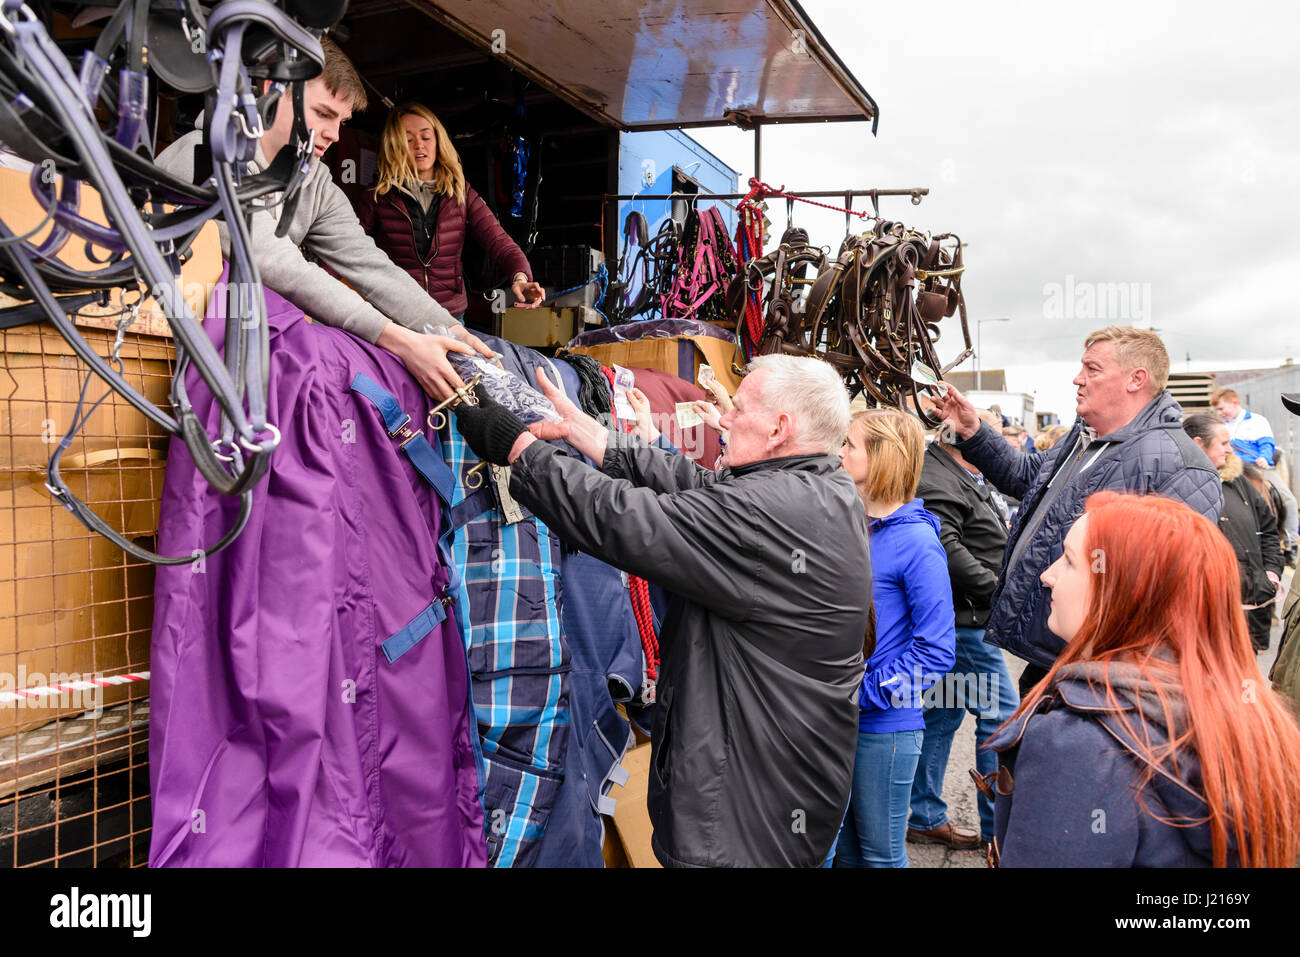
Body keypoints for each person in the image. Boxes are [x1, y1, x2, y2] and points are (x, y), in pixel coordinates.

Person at [451, 354, 871, 867]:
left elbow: (625, 519)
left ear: (780, 428)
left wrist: (519, 449)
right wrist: (593, 436)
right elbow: (696, 487)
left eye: (738, 409)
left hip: (740, 826)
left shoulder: (773, 512)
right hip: (776, 801)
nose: (727, 417)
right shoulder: (818, 490)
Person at [156, 38, 492, 400]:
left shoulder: (312, 181)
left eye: (342, 121)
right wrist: (400, 340)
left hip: (233, 373)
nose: (334, 134)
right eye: (323, 113)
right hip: (155, 361)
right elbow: (279, 264)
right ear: (273, 92)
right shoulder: (203, 160)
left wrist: (453, 333)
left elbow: (370, 265)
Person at [984, 492, 1300, 867]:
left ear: (1125, 590)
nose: (1047, 575)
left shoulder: (1078, 744)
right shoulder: (1251, 712)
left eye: (1069, 561)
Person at [933, 326, 1223, 697]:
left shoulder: (1180, 465)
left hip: (1105, 673)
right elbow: (1027, 479)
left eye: (1092, 369)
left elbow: (1169, 586)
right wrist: (973, 431)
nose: (1077, 379)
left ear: (1137, 379)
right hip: (1055, 656)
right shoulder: (1084, 436)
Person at [833, 409, 955, 868]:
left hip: (884, 727)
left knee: (880, 856)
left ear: (882, 457)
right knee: (843, 852)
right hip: (841, 721)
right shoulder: (852, 524)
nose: (840, 452)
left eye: (850, 444)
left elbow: (937, 651)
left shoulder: (918, 543)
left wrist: (860, 693)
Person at [908, 428, 1019, 853]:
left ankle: (924, 816)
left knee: (942, 714)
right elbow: (947, 547)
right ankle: (997, 834)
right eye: (985, 440)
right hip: (967, 622)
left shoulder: (955, 473)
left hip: (966, 619)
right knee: (1001, 720)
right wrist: (996, 589)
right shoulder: (938, 476)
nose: (998, 452)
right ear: (963, 444)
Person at [353, 102, 544, 317]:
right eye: (408, 140)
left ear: (438, 142)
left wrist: (521, 278)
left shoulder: (460, 192)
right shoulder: (378, 196)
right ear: (394, 147)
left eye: (426, 137)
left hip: (449, 316)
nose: (419, 145)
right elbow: (346, 248)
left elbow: (500, 242)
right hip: (396, 315)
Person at [1183, 415, 1282, 652]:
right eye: (1224, 443)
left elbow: (1268, 528)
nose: (1231, 449)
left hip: (1248, 611)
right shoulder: (1178, 486)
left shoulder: (1239, 481)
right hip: (1201, 617)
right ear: (1198, 444)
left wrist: (1272, 572)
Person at [1213, 388, 1299, 553]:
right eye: (1217, 410)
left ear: (1235, 403)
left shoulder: (1257, 421)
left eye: (1222, 408)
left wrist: (1264, 457)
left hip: (1257, 466)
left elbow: (1267, 444)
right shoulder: (1220, 426)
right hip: (1230, 468)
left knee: (1289, 500)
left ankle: (1290, 542)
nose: (1220, 413)